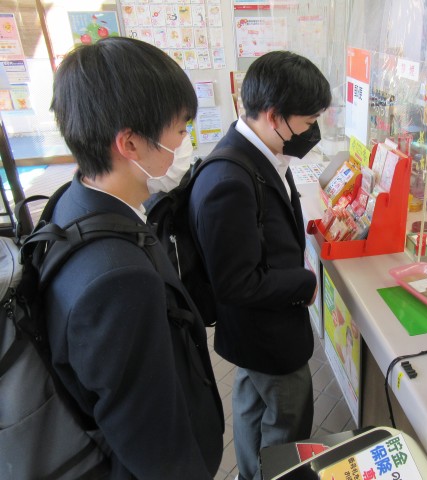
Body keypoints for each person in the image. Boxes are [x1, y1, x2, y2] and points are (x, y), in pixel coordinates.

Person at [48, 37, 223, 478]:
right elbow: (149, 439)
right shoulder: (118, 279)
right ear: (129, 143)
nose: (186, 143)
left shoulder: (72, 201)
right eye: (180, 130)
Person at [189, 50, 331, 480]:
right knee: (288, 418)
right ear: (274, 116)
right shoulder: (229, 180)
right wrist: (303, 283)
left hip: (255, 334)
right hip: (265, 333)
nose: (312, 132)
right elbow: (235, 283)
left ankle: (251, 473)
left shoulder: (259, 154)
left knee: (252, 404)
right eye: (308, 122)